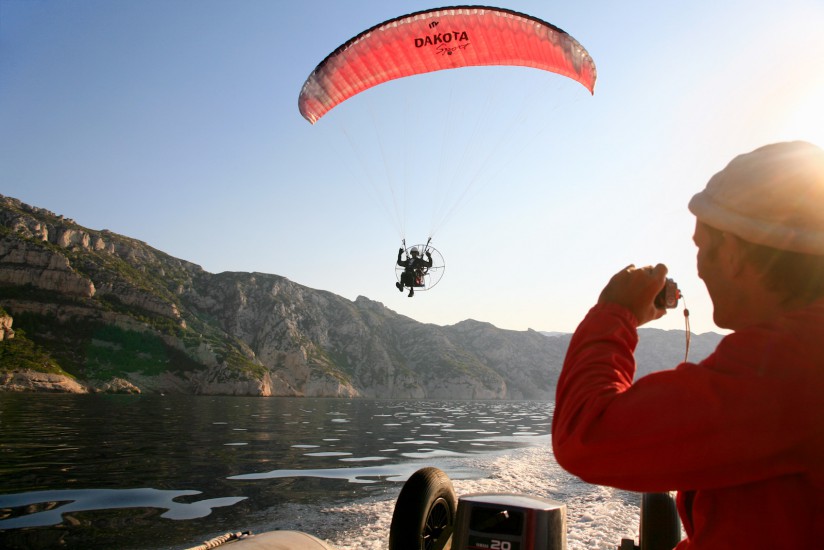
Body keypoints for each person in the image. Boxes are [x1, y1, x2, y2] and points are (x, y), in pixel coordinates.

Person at [551, 141, 824, 548]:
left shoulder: (794, 362)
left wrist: (615, 313)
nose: (698, 266)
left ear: (730, 251)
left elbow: (586, 433)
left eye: (700, 246)